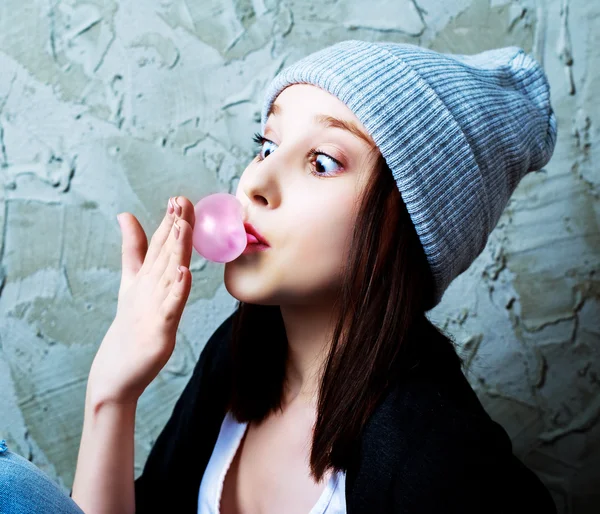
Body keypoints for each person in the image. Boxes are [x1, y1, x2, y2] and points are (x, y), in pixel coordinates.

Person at [0, 39, 558, 513]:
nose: (255, 182)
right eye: (266, 145)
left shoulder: (444, 461)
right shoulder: (237, 358)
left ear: (408, 222)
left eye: (322, 161)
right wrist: (111, 393)